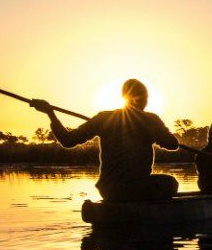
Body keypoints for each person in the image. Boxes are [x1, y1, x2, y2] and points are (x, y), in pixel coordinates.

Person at [32, 78, 179, 202]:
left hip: (108, 190)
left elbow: (67, 140)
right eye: (145, 97)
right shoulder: (151, 119)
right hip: (136, 188)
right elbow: (173, 144)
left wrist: (50, 113)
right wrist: (155, 133)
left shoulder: (103, 118)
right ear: (144, 99)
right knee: (171, 183)